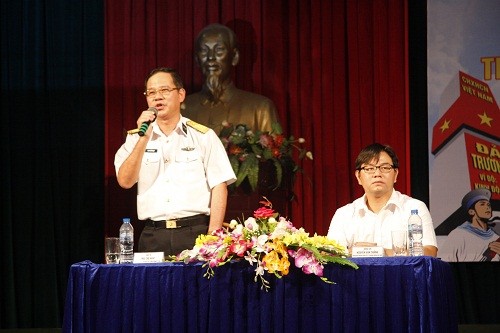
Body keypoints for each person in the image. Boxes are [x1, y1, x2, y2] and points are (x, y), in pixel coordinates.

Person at [114, 67, 236, 257]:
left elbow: (219, 185)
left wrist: (214, 236)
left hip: (195, 232)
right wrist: (143, 140)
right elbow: (125, 181)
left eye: (164, 90)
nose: (157, 97)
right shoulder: (136, 138)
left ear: (180, 94)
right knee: (153, 288)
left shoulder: (203, 136)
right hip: (153, 235)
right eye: (151, 93)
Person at [327, 143, 438, 257]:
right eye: (369, 168)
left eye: (385, 168)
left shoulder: (414, 208)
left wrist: (382, 253)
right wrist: (353, 252)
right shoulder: (344, 214)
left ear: (395, 174)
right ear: (358, 177)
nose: (377, 174)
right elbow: (329, 256)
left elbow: (430, 252)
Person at [183, 23, 279, 133]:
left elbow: (274, 148)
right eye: (204, 50)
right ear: (197, 59)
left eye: (219, 50)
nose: (210, 57)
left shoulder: (260, 109)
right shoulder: (181, 110)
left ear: (234, 57)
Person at [440, 189, 500, 262]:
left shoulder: (496, 237)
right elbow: (443, 263)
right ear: (472, 211)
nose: (487, 207)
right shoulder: (458, 235)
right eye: (482, 204)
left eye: (488, 205)